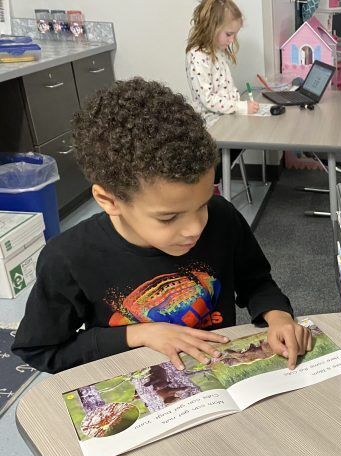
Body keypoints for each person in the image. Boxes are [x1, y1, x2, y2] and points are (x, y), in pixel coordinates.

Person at [12, 79, 313, 374]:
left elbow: (256, 281)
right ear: (109, 200)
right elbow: (40, 350)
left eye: (204, 203)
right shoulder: (69, 258)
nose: (195, 228)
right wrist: (141, 334)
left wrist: (279, 317)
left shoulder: (222, 218)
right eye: (168, 218)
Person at [186, 0, 258, 126]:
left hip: (228, 118)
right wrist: (241, 107)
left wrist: (239, 104)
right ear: (212, 27)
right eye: (229, 34)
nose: (232, 40)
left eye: (234, 35)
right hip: (212, 126)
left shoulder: (217, 50)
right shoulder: (196, 56)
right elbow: (208, 99)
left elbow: (226, 87)